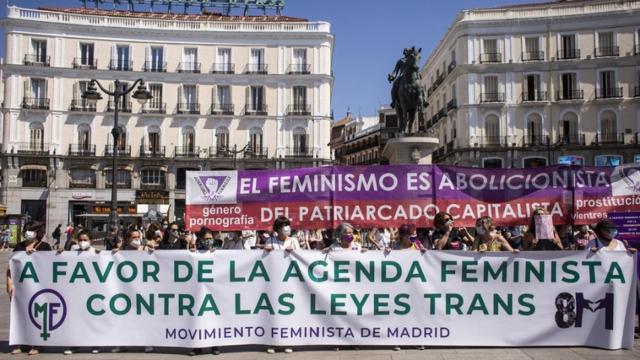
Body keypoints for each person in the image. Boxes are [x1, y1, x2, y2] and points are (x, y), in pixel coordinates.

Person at [7, 222, 52, 355]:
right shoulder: (19, 246)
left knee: (37, 314)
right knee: (20, 313)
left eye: (31, 230)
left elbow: (49, 266)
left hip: (38, 287)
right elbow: (11, 267)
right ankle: (22, 342)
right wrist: (9, 283)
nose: (28, 233)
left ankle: (37, 344)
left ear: (38, 232)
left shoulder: (45, 247)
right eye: (26, 230)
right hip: (20, 286)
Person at [264, 217, 297, 354]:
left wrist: (293, 252)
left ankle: (287, 341)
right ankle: (272, 342)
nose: (287, 228)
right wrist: (266, 252)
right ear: (277, 229)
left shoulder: (294, 241)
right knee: (273, 313)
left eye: (288, 225)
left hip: (290, 283)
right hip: (274, 282)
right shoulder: (270, 241)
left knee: (288, 313)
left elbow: (302, 258)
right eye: (284, 226)